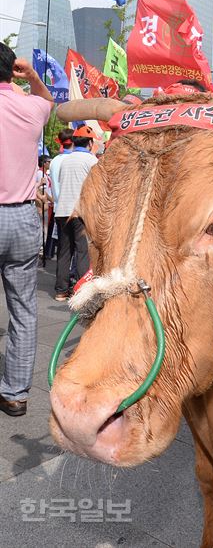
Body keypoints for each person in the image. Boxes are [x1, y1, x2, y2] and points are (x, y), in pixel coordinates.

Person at [0, 44, 53, 416]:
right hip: (21, 217)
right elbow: (47, 100)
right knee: (23, 310)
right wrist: (32, 75)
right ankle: (16, 393)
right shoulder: (32, 108)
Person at [54, 125, 98, 301]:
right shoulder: (92, 161)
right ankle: (82, 291)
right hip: (81, 212)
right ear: (89, 142)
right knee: (82, 251)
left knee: (64, 252)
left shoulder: (65, 160)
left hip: (62, 211)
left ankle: (60, 291)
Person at [47, 128, 74, 258]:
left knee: (63, 248)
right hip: (73, 208)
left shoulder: (54, 161)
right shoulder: (73, 159)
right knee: (77, 249)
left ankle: (61, 277)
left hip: (58, 208)